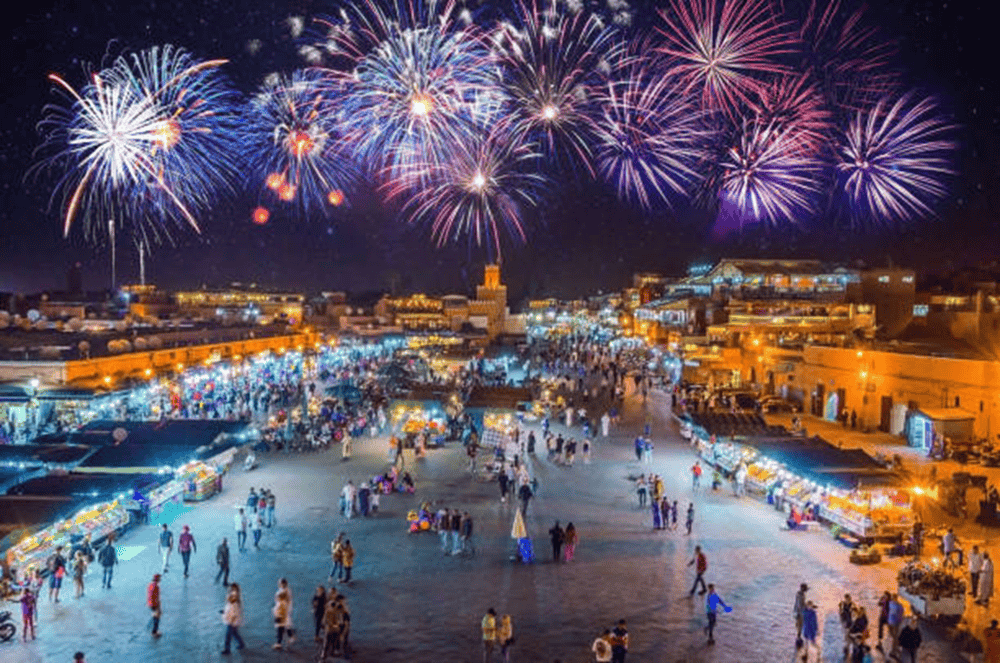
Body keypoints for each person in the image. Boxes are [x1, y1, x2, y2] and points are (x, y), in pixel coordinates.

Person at [221, 583, 246, 654]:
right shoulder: (231, 603)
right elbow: (229, 610)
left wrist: (231, 620)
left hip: (232, 622)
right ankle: (241, 643)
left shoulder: (234, 604)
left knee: (228, 635)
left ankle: (227, 649)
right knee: (234, 633)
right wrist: (224, 611)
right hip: (232, 621)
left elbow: (234, 613)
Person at [273, 580, 295, 650]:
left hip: (282, 617)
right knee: (286, 626)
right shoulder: (283, 593)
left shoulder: (283, 601)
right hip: (283, 616)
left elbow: (282, 609)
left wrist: (277, 615)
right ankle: (291, 637)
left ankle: (279, 643)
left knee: (281, 629)